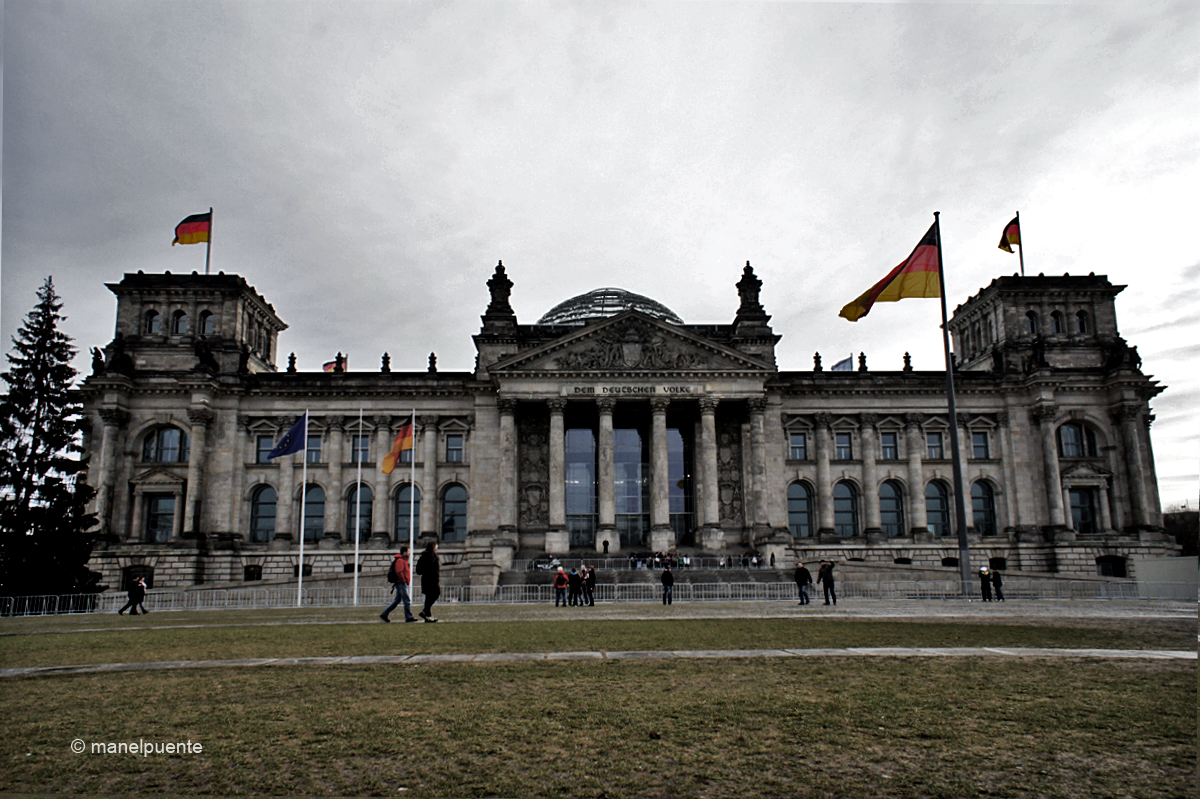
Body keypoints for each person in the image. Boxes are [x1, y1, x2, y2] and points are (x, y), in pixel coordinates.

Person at [380, 548, 417, 623]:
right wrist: (403, 580)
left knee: (397, 600)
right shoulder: (400, 560)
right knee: (406, 600)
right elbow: (399, 572)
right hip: (401, 583)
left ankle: (385, 614)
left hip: (401, 582)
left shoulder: (403, 560)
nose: (410, 553)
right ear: (404, 552)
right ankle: (409, 617)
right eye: (408, 551)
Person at [415, 541, 440, 622]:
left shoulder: (426, 556)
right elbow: (421, 570)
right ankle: (426, 613)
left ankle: (427, 614)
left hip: (427, 579)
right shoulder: (429, 556)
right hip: (430, 580)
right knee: (434, 594)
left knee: (429, 596)